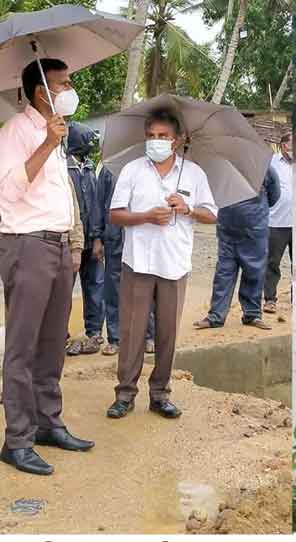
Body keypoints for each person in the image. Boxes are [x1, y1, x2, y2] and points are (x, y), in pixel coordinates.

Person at [0, 58, 95, 476]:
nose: (70, 89)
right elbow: (9, 189)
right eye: (65, 83)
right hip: (26, 246)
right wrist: (45, 145)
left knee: (53, 343)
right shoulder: (16, 132)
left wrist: (73, 243)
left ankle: (47, 423)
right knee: (21, 347)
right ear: (42, 90)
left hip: (56, 247)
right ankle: (17, 439)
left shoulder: (57, 133)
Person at [106, 108, 217, 420]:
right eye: (152, 136)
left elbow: (212, 214)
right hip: (137, 262)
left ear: (178, 140)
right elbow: (114, 215)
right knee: (132, 332)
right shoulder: (132, 170)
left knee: (167, 334)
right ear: (145, 137)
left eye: (163, 137)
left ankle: (160, 394)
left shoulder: (193, 174)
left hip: (175, 264)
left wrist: (188, 208)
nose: (156, 141)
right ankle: (125, 394)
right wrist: (146, 216)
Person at [192, 158, 280, 331]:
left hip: (254, 230)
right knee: (223, 274)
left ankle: (252, 315)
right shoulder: (220, 168)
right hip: (227, 229)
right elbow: (212, 193)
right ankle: (215, 316)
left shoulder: (264, 168)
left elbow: (274, 195)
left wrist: (255, 211)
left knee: (254, 272)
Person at [96, 159, 156, 357]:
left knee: (145, 289)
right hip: (114, 239)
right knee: (113, 290)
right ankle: (115, 338)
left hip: (142, 239)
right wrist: (97, 237)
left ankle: (148, 335)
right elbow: (100, 205)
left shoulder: (150, 168)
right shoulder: (108, 170)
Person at [65, 122, 105, 356]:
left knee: (95, 288)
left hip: (92, 240)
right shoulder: (62, 168)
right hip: (71, 243)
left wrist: (98, 238)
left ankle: (94, 331)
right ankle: (60, 334)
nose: (91, 144)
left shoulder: (91, 169)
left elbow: (98, 205)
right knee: (64, 290)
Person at [263, 133, 293, 314]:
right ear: (283, 146)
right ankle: (269, 299)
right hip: (275, 222)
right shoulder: (271, 162)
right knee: (272, 263)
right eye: (292, 144)